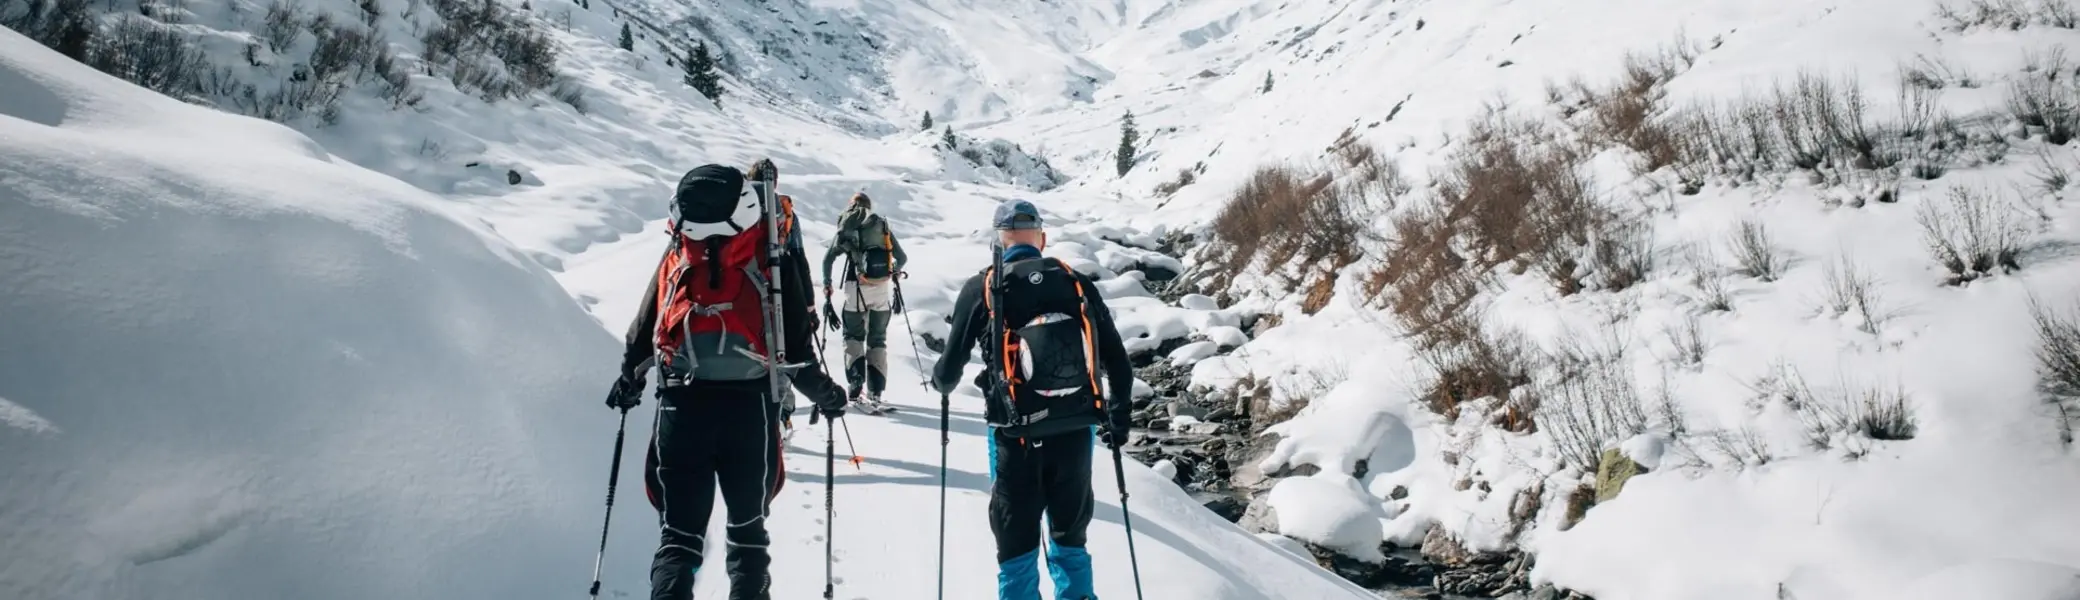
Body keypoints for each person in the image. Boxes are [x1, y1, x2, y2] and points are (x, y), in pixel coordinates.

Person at [604, 162, 848, 600]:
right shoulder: (771, 255)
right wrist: (827, 396)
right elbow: (795, 351)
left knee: (678, 539)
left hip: (681, 406)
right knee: (748, 538)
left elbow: (643, 329)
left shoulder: (680, 252)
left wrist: (628, 382)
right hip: (749, 411)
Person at [931, 200, 1135, 600]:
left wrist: (941, 385)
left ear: (998, 241)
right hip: (1076, 432)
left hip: (1013, 438)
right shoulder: (1075, 283)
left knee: (1017, 550)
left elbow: (947, 373)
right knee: (1070, 542)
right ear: (1042, 239)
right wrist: (1118, 421)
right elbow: (1118, 365)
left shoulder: (984, 287)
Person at [820, 192, 909, 414]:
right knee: (878, 340)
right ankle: (876, 392)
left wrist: (827, 284)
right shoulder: (881, 225)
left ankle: (855, 388)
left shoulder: (850, 225)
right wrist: (893, 272)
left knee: (853, 337)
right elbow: (902, 257)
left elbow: (828, 257)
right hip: (880, 289)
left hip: (855, 288)